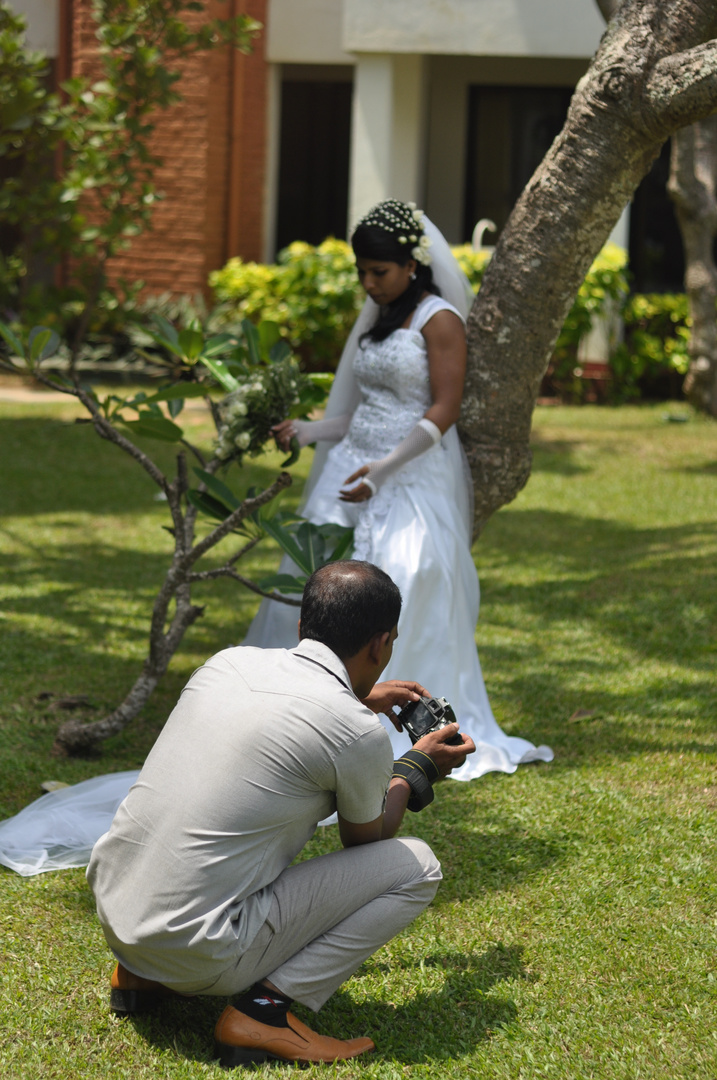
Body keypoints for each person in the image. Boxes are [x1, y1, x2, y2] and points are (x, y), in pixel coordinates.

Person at [87, 560, 475, 1067]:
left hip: (117, 917)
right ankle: (262, 1014)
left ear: (302, 624)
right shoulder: (354, 730)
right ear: (381, 644)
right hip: (198, 947)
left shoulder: (226, 664)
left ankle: (141, 974)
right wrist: (416, 769)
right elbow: (368, 841)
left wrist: (356, 696)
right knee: (417, 867)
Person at [244, 199, 553, 779]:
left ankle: (397, 720)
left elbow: (444, 409)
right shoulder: (379, 318)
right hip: (354, 470)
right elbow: (363, 413)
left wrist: (384, 470)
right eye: (362, 272)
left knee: (409, 579)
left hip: (410, 473)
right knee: (317, 587)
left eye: (378, 273)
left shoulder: (439, 320)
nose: (369, 283)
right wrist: (309, 431)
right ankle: (300, 715)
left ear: (411, 265)